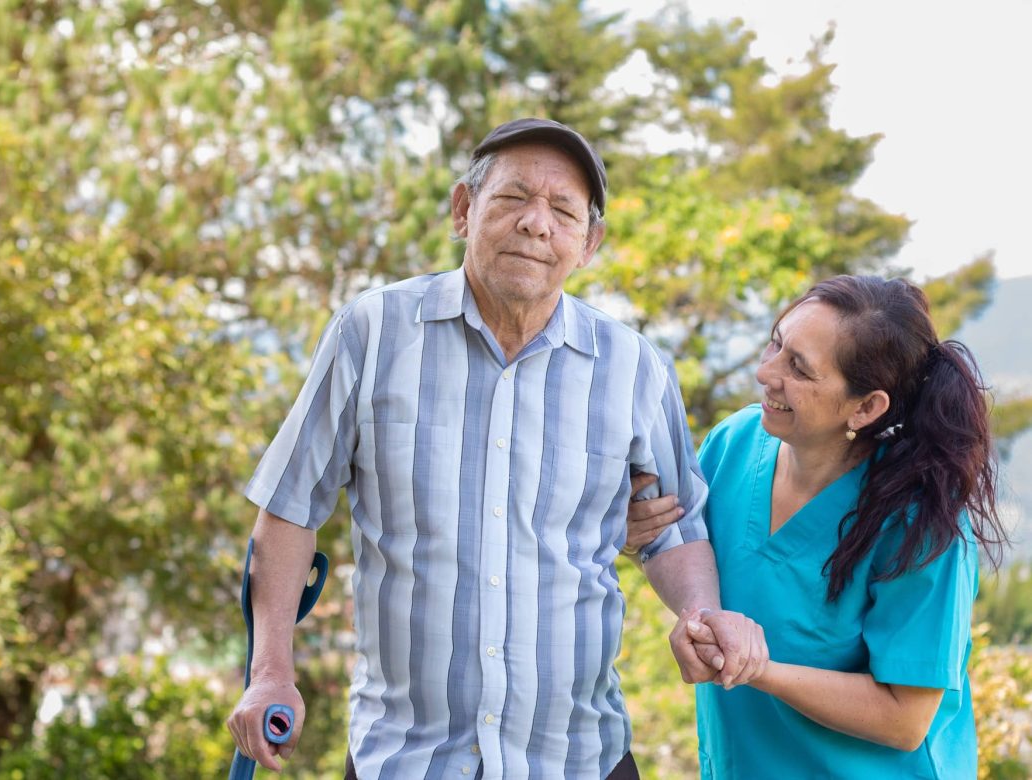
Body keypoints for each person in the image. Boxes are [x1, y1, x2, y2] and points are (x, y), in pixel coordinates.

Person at [225, 118, 762, 779]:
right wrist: (270, 671)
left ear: (588, 243)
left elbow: (673, 531)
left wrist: (699, 614)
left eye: (563, 211)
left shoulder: (634, 367)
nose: (536, 224)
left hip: (579, 757)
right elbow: (288, 509)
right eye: (512, 198)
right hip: (407, 759)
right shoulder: (373, 333)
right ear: (463, 209)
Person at [627, 275, 1007, 778]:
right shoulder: (734, 442)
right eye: (776, 344)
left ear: (866, 406)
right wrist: (642, 539)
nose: (766, 372)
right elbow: (681, 552)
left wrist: (759, 669)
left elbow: (905, 717)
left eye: (799, 369)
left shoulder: (920, 522)